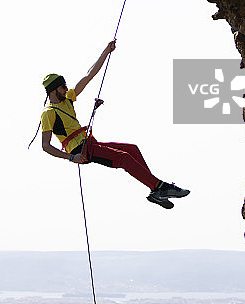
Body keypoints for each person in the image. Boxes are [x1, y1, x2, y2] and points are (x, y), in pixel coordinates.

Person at [40, 40, 190, 209]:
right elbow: (45, 145)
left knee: (132, 149)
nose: (66, 88)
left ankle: (155, 188)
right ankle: (159, 187)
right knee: (124, 159)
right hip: (79, 151)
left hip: (90, 144)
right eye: (62, 87)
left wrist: (106, 51)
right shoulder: (48, 113)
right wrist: (71, 157)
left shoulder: (67, 99)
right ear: (53, 90)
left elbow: (89, 74)